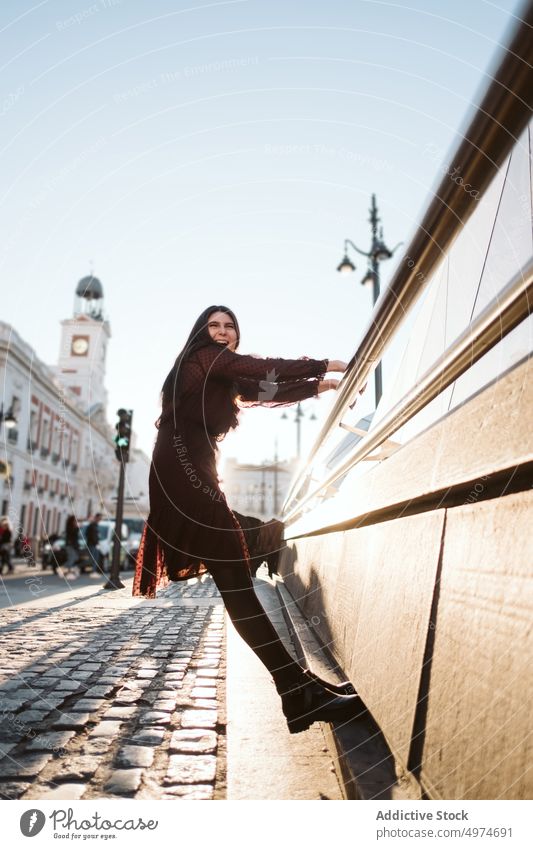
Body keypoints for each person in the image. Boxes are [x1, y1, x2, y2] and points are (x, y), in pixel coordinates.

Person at [133, 305, 364, 734]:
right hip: (183, 475)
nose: (221, 332)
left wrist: (321, 386)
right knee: (238, 584)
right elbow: (263, 366)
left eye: (229, 326)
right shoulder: (202, 357)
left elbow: (266, 388)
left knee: (237, 585)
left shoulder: (222, 376)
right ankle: (298, 693)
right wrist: (327, 363)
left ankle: (299, 691)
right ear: (201, 333)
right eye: (214, 325)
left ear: (236, 334)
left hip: (193, 471)